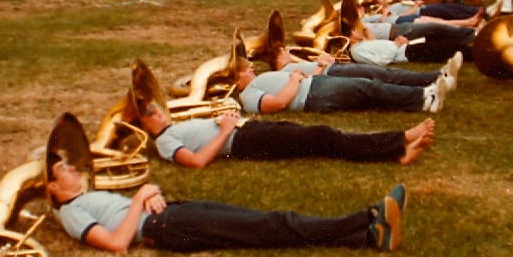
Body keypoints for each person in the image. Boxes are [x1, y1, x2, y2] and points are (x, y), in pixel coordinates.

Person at [47, 157, 410, 253]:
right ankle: (368, 216)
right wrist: (140, 197)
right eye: (63, 168)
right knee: (269, 225)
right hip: (165, 226)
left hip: (171, 214)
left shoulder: (81, 201)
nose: (73, 167)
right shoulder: (71, 213)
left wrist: (147, 195)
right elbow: (115, 245)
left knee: (264, 226)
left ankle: (368, 236)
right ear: (51, 186)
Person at [139, 106, 435, 168]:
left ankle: (397, 146)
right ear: (143, 123)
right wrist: (226, 131)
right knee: (325, 137)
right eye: (150, 111)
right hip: (244, 141)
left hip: (249, 130)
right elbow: (195, 161)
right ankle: (399, 146)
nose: (158, 109)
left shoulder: (170, 130)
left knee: (325, 136)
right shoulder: (164, 142)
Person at [236, 58, 448, 115]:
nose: (251, 69)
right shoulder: (247, 96)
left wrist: (300, 75)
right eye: (245, 70)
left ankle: (422, 96)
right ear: (235, 81)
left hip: (315, 85)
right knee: (367, 87)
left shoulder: (255, 84)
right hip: (313, 94)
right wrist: (293, 80)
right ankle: (424, 98)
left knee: (368, 88)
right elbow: (277, 103)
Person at [272, 45, 453, 88]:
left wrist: (325, 62)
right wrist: (321, 64)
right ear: (278, 56)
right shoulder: (286, 70)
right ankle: (435, 77)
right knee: (386, 74)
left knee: (385, 75)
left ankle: (432, 78)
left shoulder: (287, 67)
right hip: (334, 73)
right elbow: (309, 80)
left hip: (334, 71)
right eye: (283, 51)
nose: (287, 52)